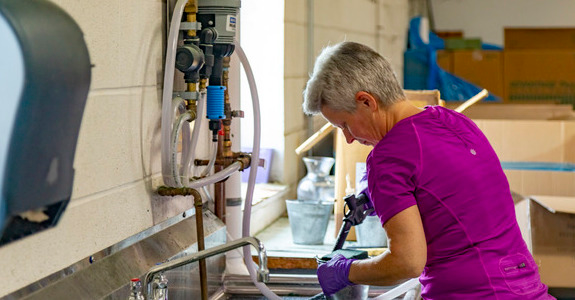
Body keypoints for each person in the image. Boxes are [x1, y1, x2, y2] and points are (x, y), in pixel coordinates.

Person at [302, 41, 554, 299]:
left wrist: (346, 271)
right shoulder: (455, 121)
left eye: (344, 124)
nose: (348, 139)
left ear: (366, 101)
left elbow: (407, 263)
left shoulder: (387, 158)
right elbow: (456, 196)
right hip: (525, 287)